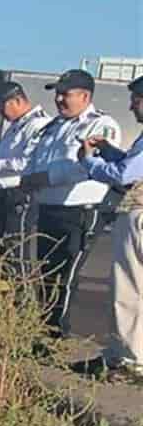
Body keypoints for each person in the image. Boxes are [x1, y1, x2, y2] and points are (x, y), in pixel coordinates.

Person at [25, 69, 124, 340]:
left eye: (65, 94)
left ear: (85, 96)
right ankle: (41, 327)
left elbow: (84, 166)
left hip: (80, 208)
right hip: (48, 206)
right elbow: (35, 161)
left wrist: (44, 178)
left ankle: (55, 333)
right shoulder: (54, 126)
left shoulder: (101, 124)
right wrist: (29, 179)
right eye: (56, 94)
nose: (58, 99)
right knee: (46, 271)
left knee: (65, 274)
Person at [68, 74, 143, 382]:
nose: (131, 106)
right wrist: (109, 151)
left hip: (139, 213)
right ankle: (123, 354)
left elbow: (124, 175)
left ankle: (128, 359)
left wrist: (89, 161)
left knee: (129, 289)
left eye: (136, 99)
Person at [0, 82, 51, 281]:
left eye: (3, 108)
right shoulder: (16, 125)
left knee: (13, 254)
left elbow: (29, 162)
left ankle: (16, 303)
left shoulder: (38, 124)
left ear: (17, 100)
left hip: (18, 194)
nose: (2, 114)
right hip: (0, 195)